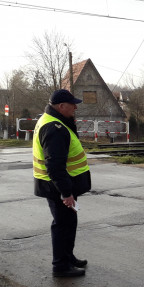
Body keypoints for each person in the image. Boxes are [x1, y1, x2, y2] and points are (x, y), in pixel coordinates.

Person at [33, 89, 92, 277]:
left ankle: (68, 257)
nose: (75, 107)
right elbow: (55, 165)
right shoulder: (54, 128)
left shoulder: (56, 121)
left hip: (62, 186)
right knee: (62, 224)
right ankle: (60, 266)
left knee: (69, 222)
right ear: (61, 106)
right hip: (58, 188)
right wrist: (66, 193)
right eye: (72, 104)